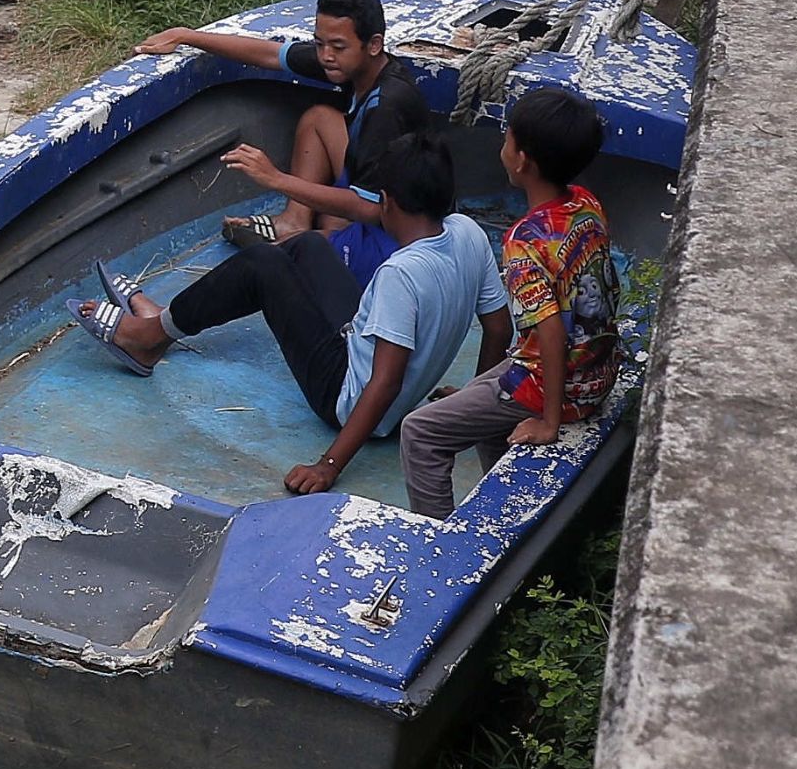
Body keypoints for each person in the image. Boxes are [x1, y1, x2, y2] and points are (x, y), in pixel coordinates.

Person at [73, 133, 511, 497]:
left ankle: (148, 338)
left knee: (263, 264)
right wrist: (468, 403)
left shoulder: (403, 272)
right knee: (310, 244)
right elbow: (498, 328)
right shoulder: (468, 233)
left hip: (345, 396)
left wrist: (329, 466)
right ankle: (170, 318)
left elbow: (385, 381)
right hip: (364, 354)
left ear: (387, 201)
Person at [400, 87, 620, 520]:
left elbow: (551, 332)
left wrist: (550, 423)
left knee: (421, 432)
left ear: (522, 161)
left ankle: (440, 538)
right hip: (597, 371)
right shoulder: (585, 203)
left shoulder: (525, 241)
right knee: (485, 404)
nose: (503, 146)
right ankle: (499, 508)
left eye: (507, 138)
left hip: (558, 385)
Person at [137, 0, 428, 289]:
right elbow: (270, 55)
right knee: (320, 120)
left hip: (398, 235)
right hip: (375, 192)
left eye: (337, 47)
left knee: (278, 261)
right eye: (319, 43)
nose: (326, 55)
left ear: (373, 44)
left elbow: (370, 208)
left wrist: (276, 179)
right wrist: (186, 35)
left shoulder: (386, 107)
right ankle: (295, 221)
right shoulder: (351, 64)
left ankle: (154, 327)